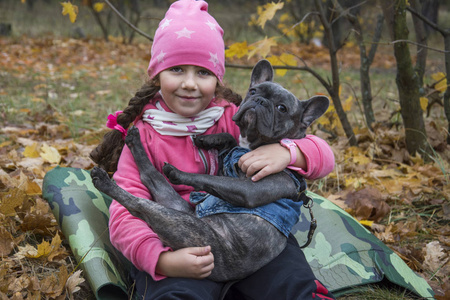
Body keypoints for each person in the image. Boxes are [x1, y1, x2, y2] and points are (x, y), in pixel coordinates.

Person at [90, 0, 336, 299]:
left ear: (217, 78)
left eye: (203, 73)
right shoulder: (144, 135)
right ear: (157, 75)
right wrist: (161, 260)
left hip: (252, 235)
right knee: (176, 293)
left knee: (289, 281)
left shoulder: (235, 117)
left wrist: (290, 153)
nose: (190, 83)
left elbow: (324, 157)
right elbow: (124, 213)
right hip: (184, 248)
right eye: (177, 69)